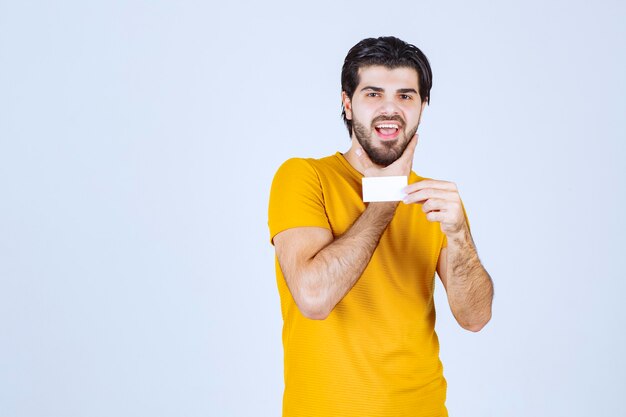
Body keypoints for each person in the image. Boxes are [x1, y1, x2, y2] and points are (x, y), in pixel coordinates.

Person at [267, 36, 494, 417]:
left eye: (406, 96)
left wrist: (460, 237)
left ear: (423, 106)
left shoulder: (436, 201)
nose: (390, 109)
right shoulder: (304, 177)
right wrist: (387, 197)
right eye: (373, 94)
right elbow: (314, 297)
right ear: (347, 104)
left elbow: (475, 317)